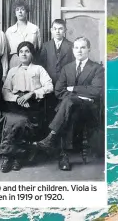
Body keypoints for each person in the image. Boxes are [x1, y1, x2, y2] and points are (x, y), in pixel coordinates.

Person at [35, 37, 104, 171]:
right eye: (76, 47)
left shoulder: (96, 68)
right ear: (73, 50)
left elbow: (96, 91)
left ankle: (53, 141)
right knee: (69, 109)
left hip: (88, 109)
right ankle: (63, 154)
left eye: (83, 47)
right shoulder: (67, 68)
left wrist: (73, 89)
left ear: (89, 49)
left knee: (67, 104)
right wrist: (80, 95)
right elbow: (58, 91)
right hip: (71, 108)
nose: (79, 50)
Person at [0, 41, 53, 173]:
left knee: (22, 122)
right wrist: (17, 98)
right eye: (21, 52)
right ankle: (9, 157)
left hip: (33, 104)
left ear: (32, 54)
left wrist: (32, 94)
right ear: (18, 55)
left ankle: (15, 157)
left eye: (27, 51)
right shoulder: (12, 71)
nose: (24, 54)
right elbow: (5, 90)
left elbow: (49, 86)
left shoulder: (38, 69)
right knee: (13, 121)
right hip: (15, 103)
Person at [39, 19, 75, 118]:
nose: (57, 31)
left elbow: (73, 65)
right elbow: (42, 66)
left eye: (60, 29)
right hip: (49, 82)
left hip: (65, 83)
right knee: (50, 108)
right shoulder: (46, 46)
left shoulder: (71, 46)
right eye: (55, 29)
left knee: (63, 109)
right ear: (51, 30)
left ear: (65, 30)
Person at [5, 1, 41, 69]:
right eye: (17, 10)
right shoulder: (9, 31)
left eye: (22, 9)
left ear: (27, 12)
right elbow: (6, 52)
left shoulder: (35, 28)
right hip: (15, 61)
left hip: (31, 61)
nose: (20, 12)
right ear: (15, 13)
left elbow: (39, 48)